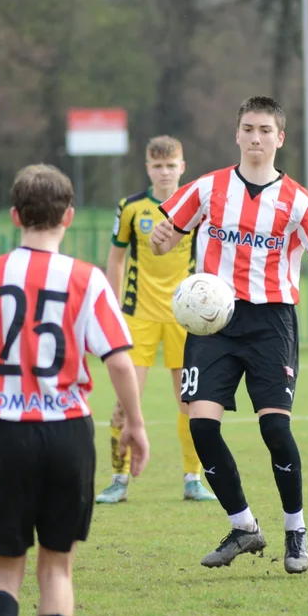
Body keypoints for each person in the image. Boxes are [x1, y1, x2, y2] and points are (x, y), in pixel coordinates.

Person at [0, 164, 150, 616]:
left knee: (3, 570)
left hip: (7, 431)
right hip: (69, 433)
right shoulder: (87, 279)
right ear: (68, 216)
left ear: (14, 216)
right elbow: (118, 360)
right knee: (57, 569)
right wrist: (134, 422)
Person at [149, 96, 308, 575]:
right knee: (201, 428)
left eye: (265, 130)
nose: (255, 138)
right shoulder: (207, 189)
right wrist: (162, 240)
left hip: (271, 323)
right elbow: (168, 234)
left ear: (279, 138)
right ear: (236, 134)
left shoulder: (298, 200)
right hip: (212, 325)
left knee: (274, 428)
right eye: (248, 128)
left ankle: (295, 529)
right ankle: (243, 527)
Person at [96, 135, 217, 504]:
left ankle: (192, 479)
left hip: (187, 319)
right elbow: (117, 258)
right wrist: (114, 306)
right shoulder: (131, 208)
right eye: (157, 166)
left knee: (191, 401)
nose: (164, 172)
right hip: (139, 317)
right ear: (148, 168)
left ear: (182, 167)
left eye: (171, 165)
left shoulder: (198, 206)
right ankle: (118, 479)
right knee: (124, 402)